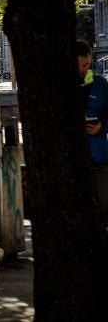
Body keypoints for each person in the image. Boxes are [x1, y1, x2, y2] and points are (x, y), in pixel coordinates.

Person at [78, 41, 108, 226]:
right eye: (78, 65)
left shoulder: (99, 84)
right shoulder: (56, 87)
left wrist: (101, 126)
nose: (82, 70)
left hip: (98, 156)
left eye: (86, 65)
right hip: (71, 158)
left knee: (103, 206)